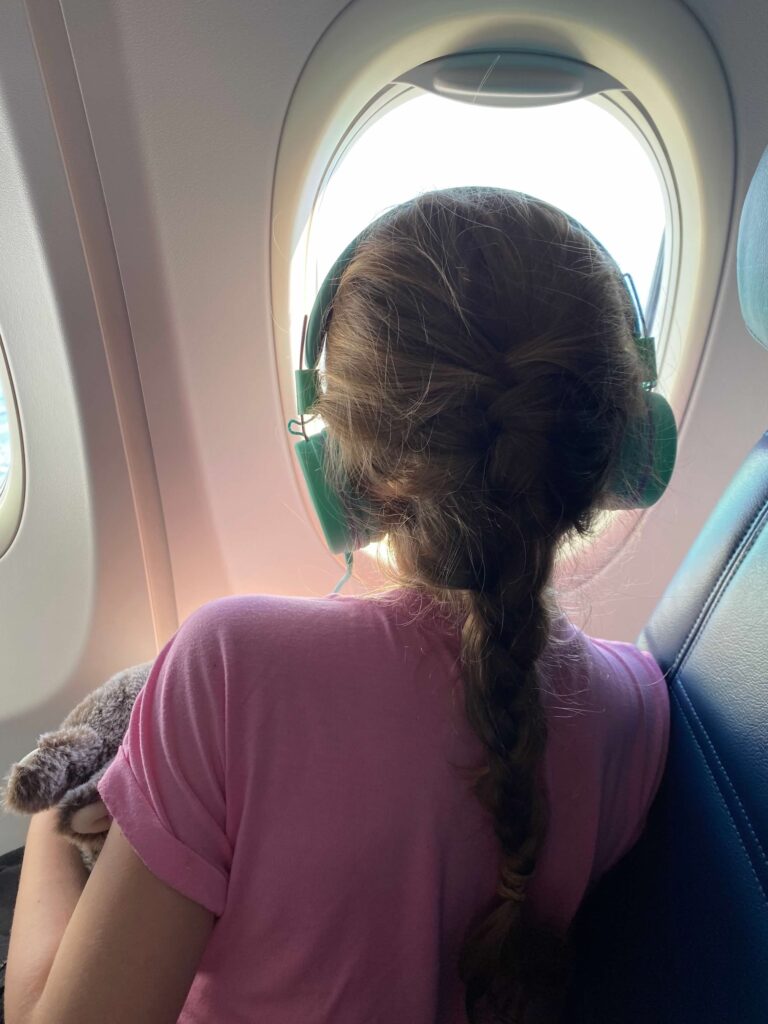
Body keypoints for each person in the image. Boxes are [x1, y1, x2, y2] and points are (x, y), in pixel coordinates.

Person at [5, 188, 669, 1024]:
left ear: (348, 464)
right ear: (628, 443)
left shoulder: (230, 667)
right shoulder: (639, 715)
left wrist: (49, 829)